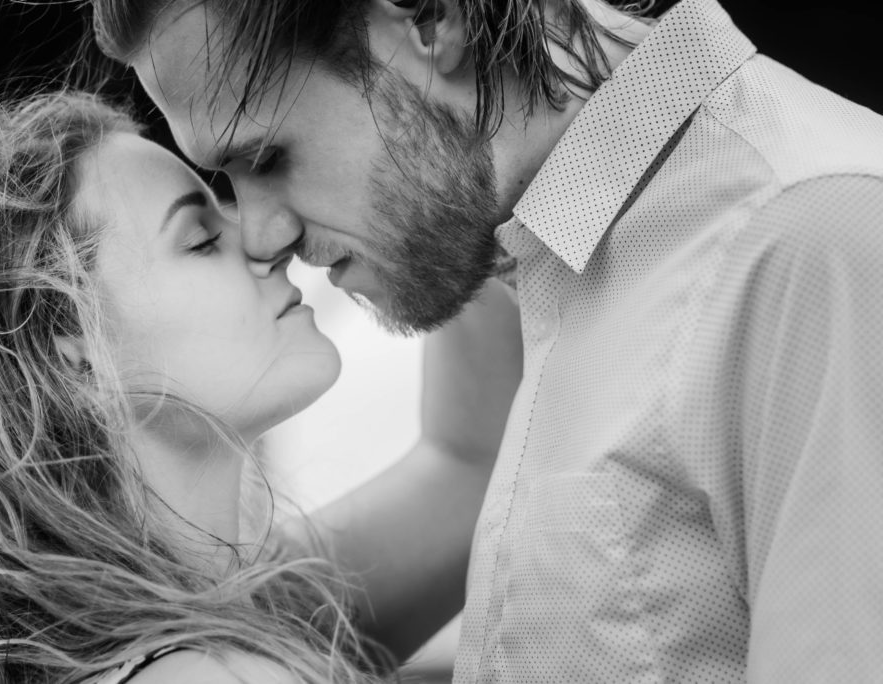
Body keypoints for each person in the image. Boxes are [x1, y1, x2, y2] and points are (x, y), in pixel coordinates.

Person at [90, 0, 883, 681]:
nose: (259, 232)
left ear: (433, 18)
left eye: (268, 157)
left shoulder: (809, 240)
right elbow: (459, 468)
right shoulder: (533, 236)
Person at [0, 89, 519, 683]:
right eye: (201, 236)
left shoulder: (227, 621)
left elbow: (473, 463)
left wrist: (442, 154)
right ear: (73, 351)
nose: (268, 239)